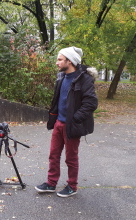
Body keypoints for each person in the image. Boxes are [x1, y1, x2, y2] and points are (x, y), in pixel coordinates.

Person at [35, 46, 98, 197]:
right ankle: (51, 184)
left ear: (69, 61)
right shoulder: (61, 78)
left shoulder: (84, 79)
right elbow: (58, 100)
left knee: (71, 158)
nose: (57, 63)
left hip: (72, 125)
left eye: (60, 59)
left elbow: (91, 103)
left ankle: (72, 186)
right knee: (53, 155)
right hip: (59, 123)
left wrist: (75, 119)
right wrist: (54, 118)